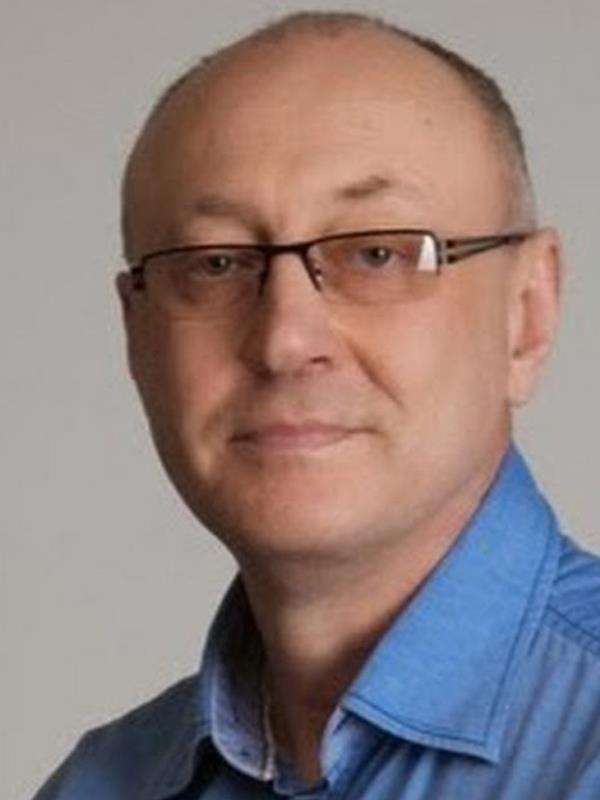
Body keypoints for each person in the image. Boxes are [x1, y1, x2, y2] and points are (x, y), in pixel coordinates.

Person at [33, 11, 600, 800]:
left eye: (377, 252)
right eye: (216, 264)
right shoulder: (102, 784)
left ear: (527, 314)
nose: (285, 340)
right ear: (136, 335)